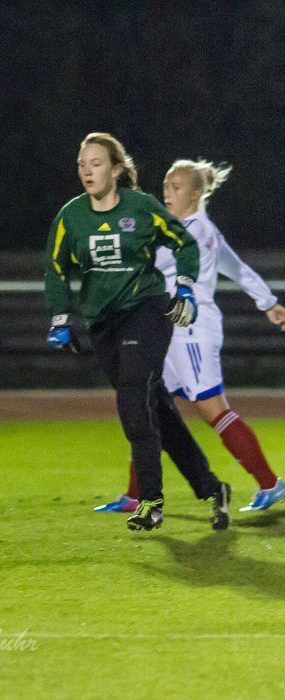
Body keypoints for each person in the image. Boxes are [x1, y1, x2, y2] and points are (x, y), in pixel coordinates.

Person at [44, 133, 231, 532]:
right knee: (156, 409)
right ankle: (212, 488)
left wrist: (184, 287)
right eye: (82, 164)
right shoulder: (71, 216)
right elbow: (56, 267)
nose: (87, 171)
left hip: (147, 310)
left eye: (96, 163)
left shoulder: (142, 207)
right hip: (104, 323)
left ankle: (150, 502)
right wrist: (60, 317)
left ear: (115, 169)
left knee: (132, 395)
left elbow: (183, 243)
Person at [93, 159, 285, 515]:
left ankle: (271, 483)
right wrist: (269, 303)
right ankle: (136, 494)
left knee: (213, 410)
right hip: (171, 331)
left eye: (176, 187)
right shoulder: (200, 229)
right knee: (150, 406)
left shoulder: (194, 230)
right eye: (166, 186)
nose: (167, 193)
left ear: (196, 194)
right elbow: (237, 268)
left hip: (192, 331)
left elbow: (153, 259)